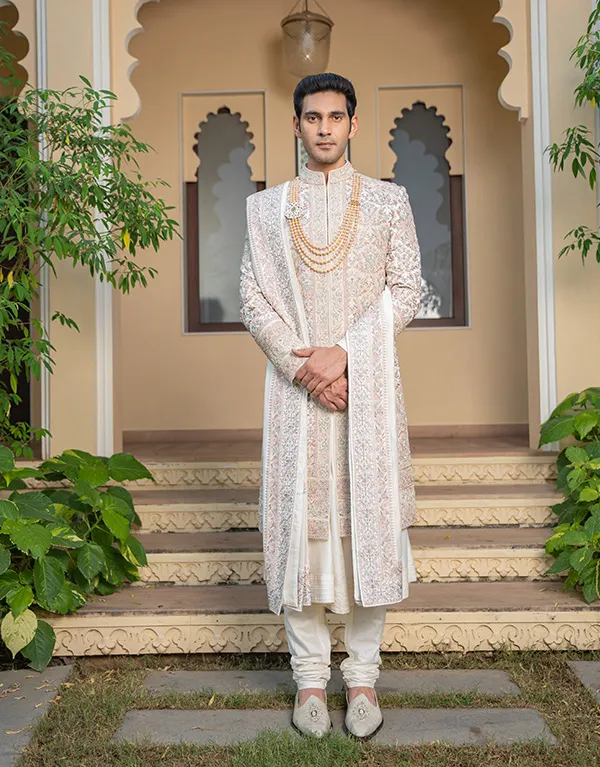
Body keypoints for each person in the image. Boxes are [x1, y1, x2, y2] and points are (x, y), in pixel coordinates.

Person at [239, 72, 421, 740]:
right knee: (302, 536)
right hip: (297, 397)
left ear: (351, 124)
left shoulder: (388, 203)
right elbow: (253, 297)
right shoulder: (265, 210)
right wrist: (305, 368)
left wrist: (342, 353)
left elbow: (407, 288)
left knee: (365, 531)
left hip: (366, 389)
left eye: (335, 117)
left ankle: (364, 677)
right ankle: (310, 678)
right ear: (296, 125)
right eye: (312, 117)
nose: (323, 128)